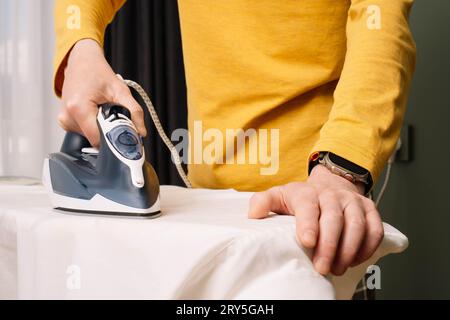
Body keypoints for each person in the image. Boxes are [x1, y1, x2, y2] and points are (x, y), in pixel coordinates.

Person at [54, 0, 416, 276]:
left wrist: (339, 172)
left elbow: (380, 23)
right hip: (204, 214)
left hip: (311, 214)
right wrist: (79, 47)